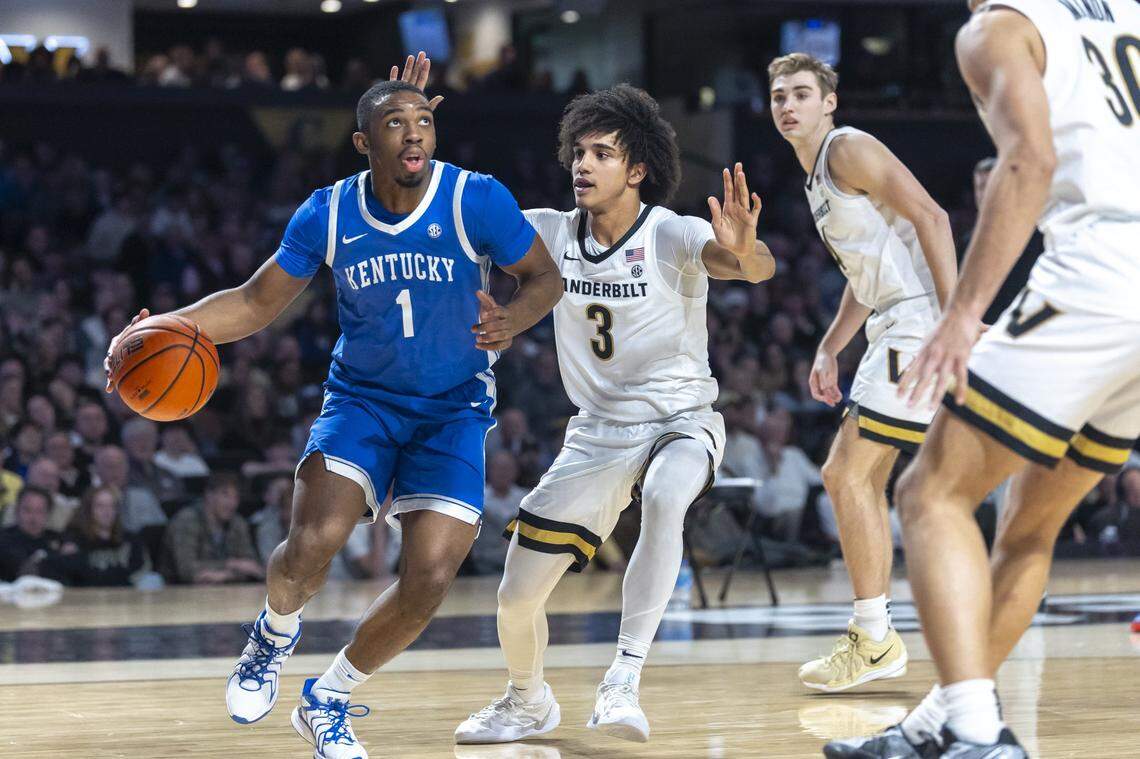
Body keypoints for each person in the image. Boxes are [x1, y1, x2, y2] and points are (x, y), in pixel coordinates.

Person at [105, 54, 560, 758]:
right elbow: (255, 302)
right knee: (314, 543)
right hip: (364, 400)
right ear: (363, 142)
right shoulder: (330, 209)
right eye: (394, 123)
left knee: (431, 577)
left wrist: (514, 318)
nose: (413, 134)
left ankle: (330, 695)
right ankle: (272, 636)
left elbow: (545, 278)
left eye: (424, 121)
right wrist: (158, 327)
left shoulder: (477, 197)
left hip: (453, 408)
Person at [401, 59, 774, 743]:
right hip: (597, 432)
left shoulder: (667, 231)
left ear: (636, 170)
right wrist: (411, 132)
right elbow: (447, 205)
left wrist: (746, 253)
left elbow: (745, 264)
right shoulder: (545, 231)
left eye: (602, 152)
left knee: (666, 495)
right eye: (578, 150)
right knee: (515, 597)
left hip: (680, 420)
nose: (583, 163)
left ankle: (623, 677)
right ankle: (526, 698)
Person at [826, 1, 1140, 757]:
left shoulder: (996, 28)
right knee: (1029, 526)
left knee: (929, 491)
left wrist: (964, 312)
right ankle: (941, 716)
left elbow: (1029, 162)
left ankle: (976, 732)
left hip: (1098, 278)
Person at [768, 52, 958, 692]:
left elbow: (933, 216)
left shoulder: (846, 148)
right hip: (893, 318)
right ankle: (874, 635)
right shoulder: (816, 177)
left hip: (917, 318)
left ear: (829, 103)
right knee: (860, 477)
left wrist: (958, 313)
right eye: (777, 96)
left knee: (846, 472)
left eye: (800, 93)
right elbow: (865, 273)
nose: (787, 105)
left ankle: (874, 638)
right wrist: (829, 346)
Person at [160, 473, 262, 585]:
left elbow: (253, 567)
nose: (232, 503)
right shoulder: (186, 521)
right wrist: (231, 564)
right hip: (179, 590)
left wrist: (223, 576)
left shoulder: (237, 523)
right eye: (225, 495)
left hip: (226, 589)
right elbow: (186, 570)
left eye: (236, 497)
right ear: (209, 495)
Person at [43, 485, 145, 587]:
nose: (107, 511)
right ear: (89, 509)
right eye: (100, 506)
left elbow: (137, 570)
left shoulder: (129, 539)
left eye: (112, 506)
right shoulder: (74, 539)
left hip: (124, 596)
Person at [0, 486, 62, 582]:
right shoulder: (4, 538)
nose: (33, 518)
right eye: (27, 510)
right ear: (17, 511)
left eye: (40, 511)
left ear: (48, 514)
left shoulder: (58, 538)